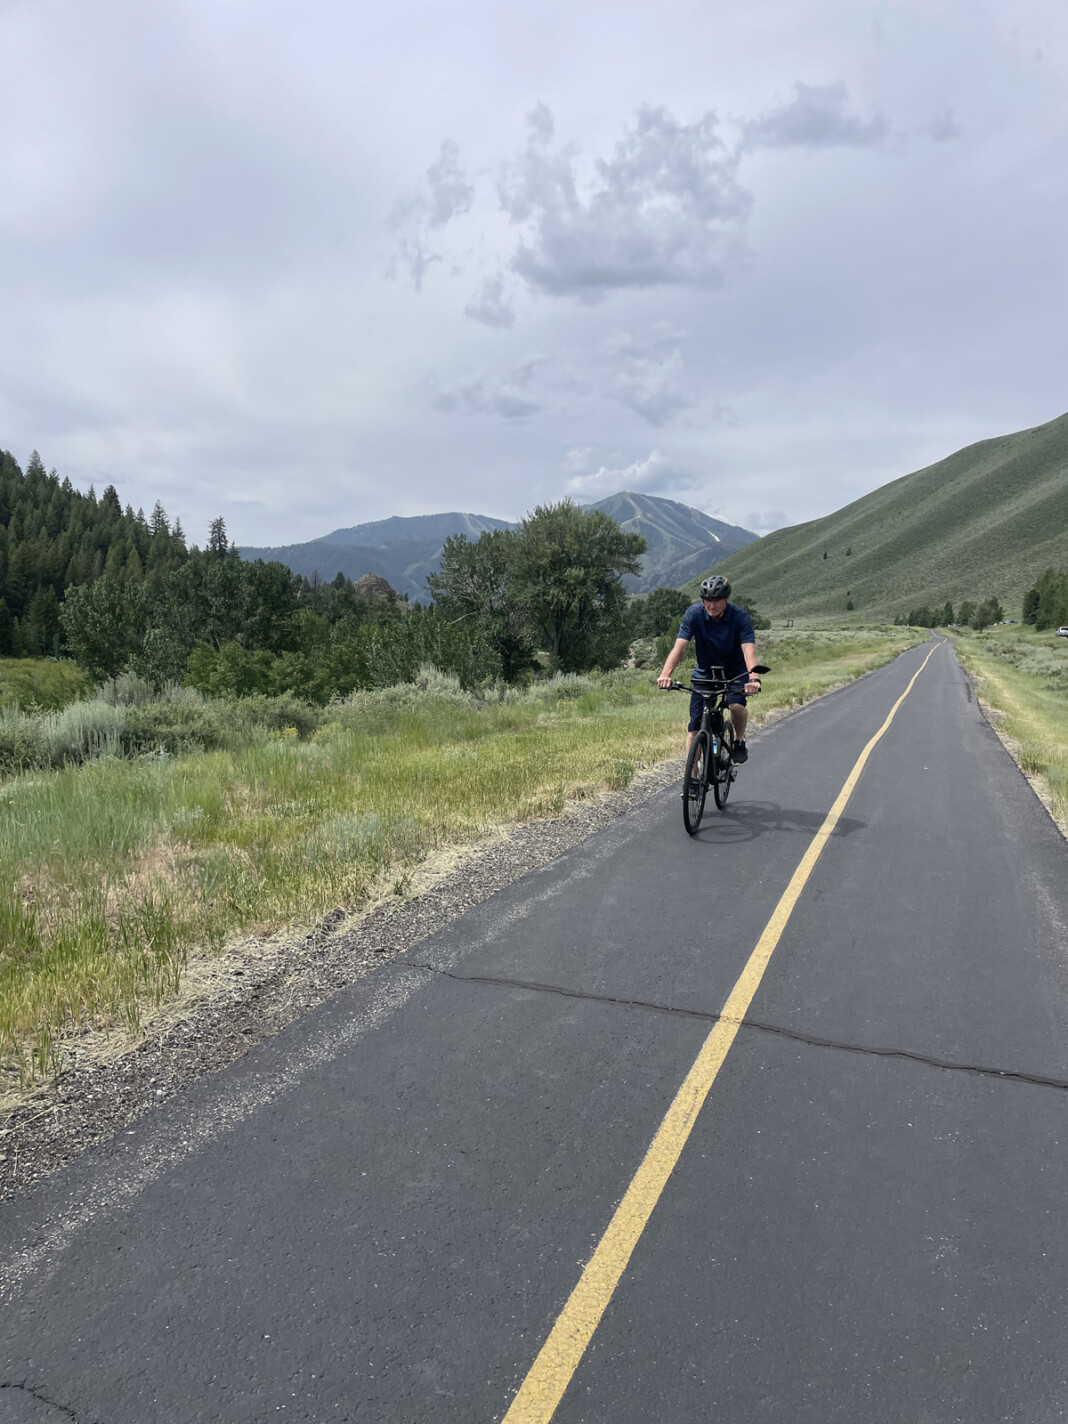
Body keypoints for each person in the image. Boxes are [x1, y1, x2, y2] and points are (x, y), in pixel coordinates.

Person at [656, 575, 762, 763]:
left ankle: (739, 741)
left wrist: (754, 678)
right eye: (707, 601)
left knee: (736, 706)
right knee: (694, 729)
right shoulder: (694, 614)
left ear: (726, 599)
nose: (711, 605)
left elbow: (748, 651)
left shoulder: (740, 617)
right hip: (705, 674)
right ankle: (691, 776)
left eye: (716, 601)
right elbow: (680, 647)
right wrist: (665, 674)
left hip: (734, 673)